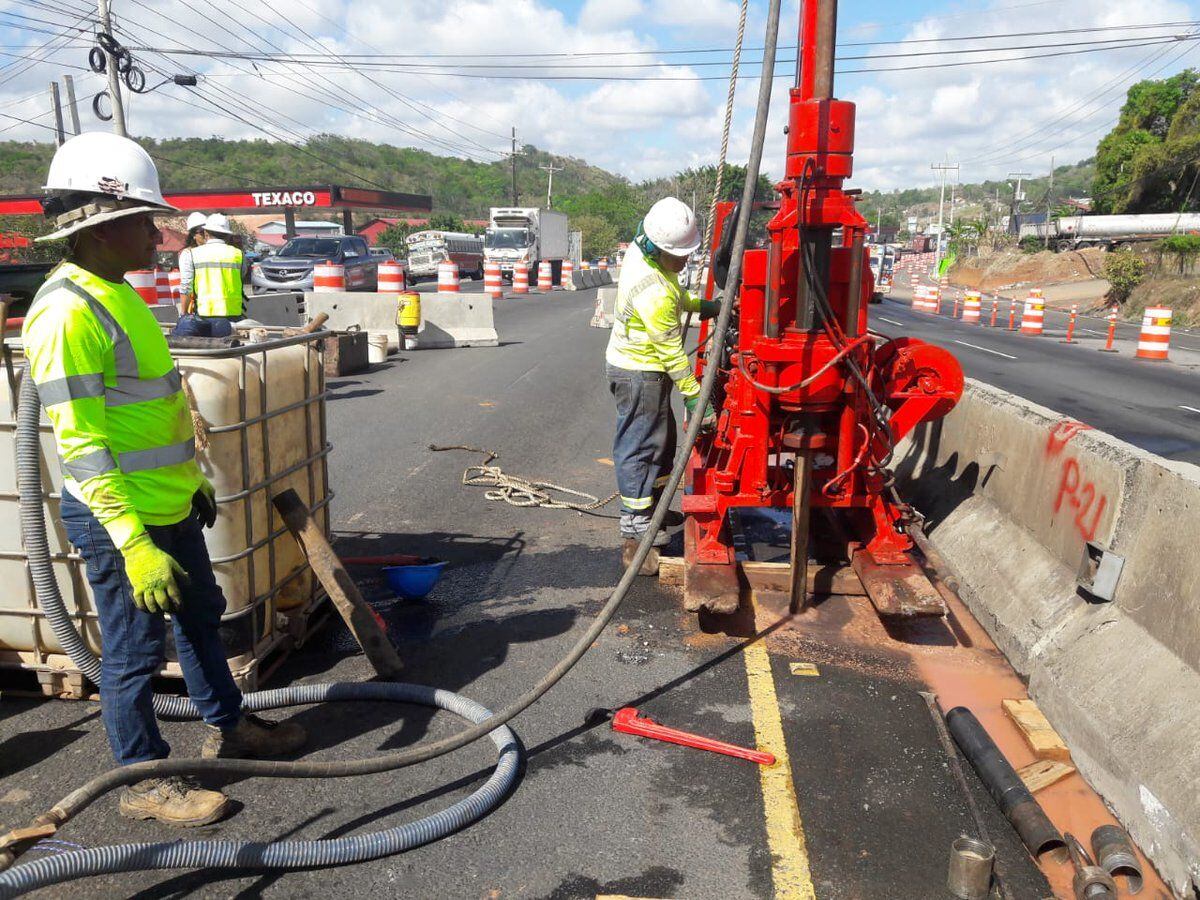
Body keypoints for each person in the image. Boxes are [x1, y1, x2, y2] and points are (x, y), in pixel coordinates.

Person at [23, 132, 305, 828]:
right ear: (100, 224)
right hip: (123, 521)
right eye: (145, 221)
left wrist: (190, 481)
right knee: (131, 655)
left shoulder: (115, 293)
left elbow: (150, 409)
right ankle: (143, 782)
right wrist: (134, 543)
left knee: (202, 619)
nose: (159, 234)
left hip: (170, 503)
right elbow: (81, 447)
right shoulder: (67, 312)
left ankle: (230, 725)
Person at [605, 197, 720, 574]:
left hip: (645, 370)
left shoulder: (646, 256)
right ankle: (634, 530)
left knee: (663, 441)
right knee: (639, 448)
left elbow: (674, 293)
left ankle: (652, 506)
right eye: (680, 255)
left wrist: (703, 306)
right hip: (639, 373)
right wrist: (693, 395)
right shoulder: (651, 286)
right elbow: (672, 352)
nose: (685, 260)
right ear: (658, 248)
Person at [180, 212, 244, 325]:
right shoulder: (238, 254)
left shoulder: (192, 254)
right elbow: (241, 276)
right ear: (228, 235)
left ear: (206, 232)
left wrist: (183, 315)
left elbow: (186, 287)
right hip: (234, 315)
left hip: (205, 315)